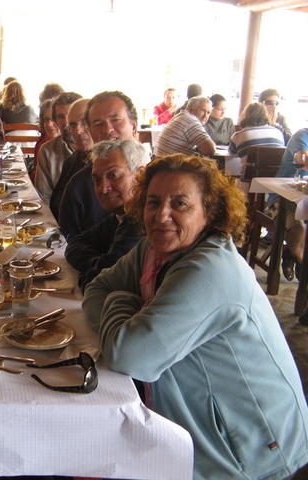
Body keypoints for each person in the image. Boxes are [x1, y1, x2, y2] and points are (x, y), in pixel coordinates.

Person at [83, 153, 308, 479]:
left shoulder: (210, 269)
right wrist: (127, 307)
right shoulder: (154, 249)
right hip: (201, 432)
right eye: (153, 201)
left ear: (210, 212)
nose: (162, 215)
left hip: (255, 456)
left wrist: (120, 298)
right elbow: (95, 289)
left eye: (180, 204)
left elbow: (129, 354)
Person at [65, 139, 147, 291]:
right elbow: (73, 245)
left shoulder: (139, 221)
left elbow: (92, 284)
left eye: (113, 175)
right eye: (96, 180)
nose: (103, 189)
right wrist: (98, 262)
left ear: (140, 175)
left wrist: (96, 268)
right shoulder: (119, 215)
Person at [58, 90, 138, 240]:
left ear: (134, 126)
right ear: (91, 132)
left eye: (115, 119)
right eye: (98, 123)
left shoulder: (160, 178)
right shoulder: (79, 185)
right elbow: (67, 244)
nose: (108, 129)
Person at [49, 98, 95, 219]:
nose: (78, 131)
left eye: (84, 122)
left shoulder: (106, 168)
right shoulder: (72, 161)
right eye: (73, 125)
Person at [33, 91, 82, 204]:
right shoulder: (47, 151)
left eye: (70, 115)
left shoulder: (100, 152)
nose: (66, 122)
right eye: (60, 117)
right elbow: (43, 198)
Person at [275, 128, 308, 282]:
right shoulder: (302, 136)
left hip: (303, 202)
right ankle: (302, 263)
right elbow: (302, 157)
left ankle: (289, 252)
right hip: (281, 198)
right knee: (300, 228)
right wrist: (303, 158)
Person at [229, 102, 284, 166]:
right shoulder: (278, 132)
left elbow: (232, 153)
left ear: (246, 115)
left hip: (250, 175)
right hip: (276, 175)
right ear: (265, 115)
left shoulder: (238, 136)